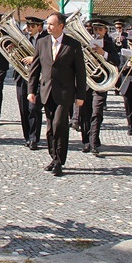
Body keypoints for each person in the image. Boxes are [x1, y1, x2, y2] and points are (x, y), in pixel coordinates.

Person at [27, 12, 86, 177]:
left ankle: (60, 161)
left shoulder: (73, 45)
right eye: (47, 24)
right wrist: (31, 90)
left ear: (61, 26)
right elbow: (35, 69)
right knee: (50, 128)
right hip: (47, 91)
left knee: (60, 125)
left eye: (52, 24)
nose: (48, 27)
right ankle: (53, 157)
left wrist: (80, 96)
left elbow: (81, 73)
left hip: (65, 92)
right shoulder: (42, 42)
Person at [72, 19, 120, 155]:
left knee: (97, 113)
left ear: (105, 30)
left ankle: (93, 143)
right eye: (95, 29)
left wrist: (102, 53)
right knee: (84, 114)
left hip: (101, 82)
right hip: (86, 82)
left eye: (100, 29)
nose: (97, 32)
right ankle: (86, 141)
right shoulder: (86, 41)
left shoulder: (109, 44)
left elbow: (116, 61)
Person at [14, 16, 48, 149]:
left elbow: (49, 55)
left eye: (32, 26)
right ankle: (27, 136)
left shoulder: (46, 39)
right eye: (28, 26)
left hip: (38, 79)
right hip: (22, 77)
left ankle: (34, 138)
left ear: (39, 27)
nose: (28, 29)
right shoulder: (24, 38)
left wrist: (34, 58)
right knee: (23, 109)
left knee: (33, 108)